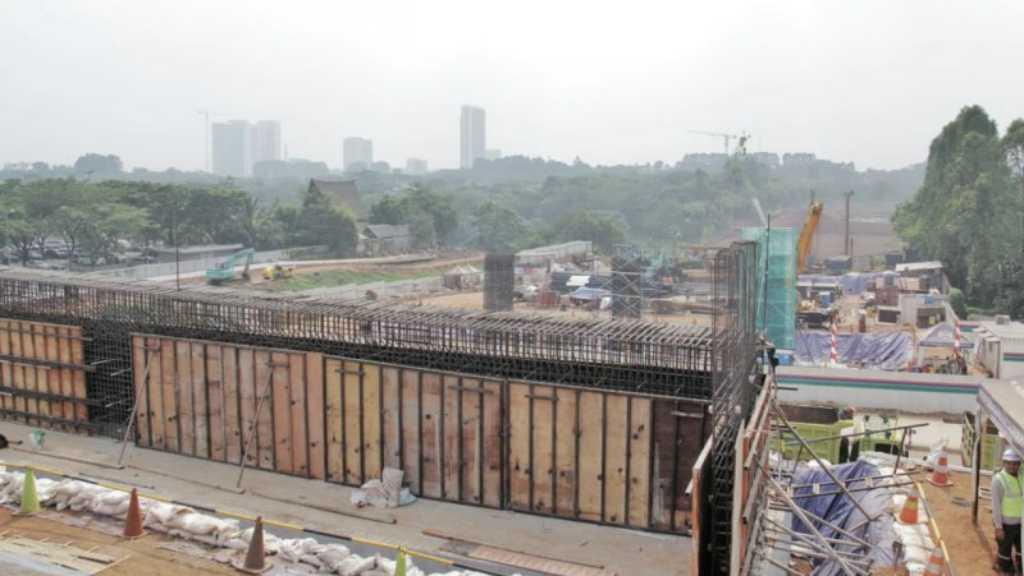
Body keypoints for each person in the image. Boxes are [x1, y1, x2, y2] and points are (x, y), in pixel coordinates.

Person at [993, 448, 1023, 575]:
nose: (1012, 466)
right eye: (1009, 463)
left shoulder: (1021, 476)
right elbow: (995, 505)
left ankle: (1020, 567)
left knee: (1021, 548)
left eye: (1015, 463)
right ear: (1004, 463)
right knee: (1005, 550)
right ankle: (1006, 569)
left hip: (1020, 523)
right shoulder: (999, 480)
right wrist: (998, 527)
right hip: (1006, 524)